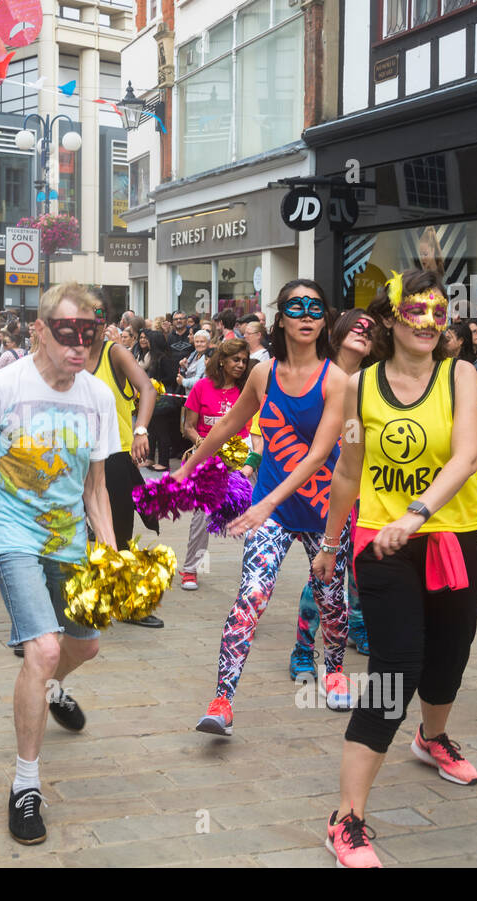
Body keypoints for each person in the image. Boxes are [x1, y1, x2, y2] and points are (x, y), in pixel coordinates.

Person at [312, 268, 477, 867]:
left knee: (451, 653)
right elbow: (349, 470)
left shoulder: (460, 374)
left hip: (453, 536)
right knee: (395, 666)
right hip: (381, 543)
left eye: (438, 313)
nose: (428, 323)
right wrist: (331, 545)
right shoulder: (358, 387)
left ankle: (431, 737)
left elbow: (467, 454)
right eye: (415, 311)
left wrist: (417, 513)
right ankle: (347, 817)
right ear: (390, 319)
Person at [0, 282, 116, 846]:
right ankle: (25, 784)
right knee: (41, 648)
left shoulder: (97, 397)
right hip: (13, 533)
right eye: (68, 331)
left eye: (91, 332)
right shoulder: (2, 387)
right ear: (39, 330)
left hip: (68, 537)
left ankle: (54, 689)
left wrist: (110, 553)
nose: (80, 344)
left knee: (84, 646)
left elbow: (95, 487)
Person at [176, 280, 354, 735]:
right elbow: (226, 428)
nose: (307, 314)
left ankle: (333, 670)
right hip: (271, 513)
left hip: (322, 511)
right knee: (250, 598)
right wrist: (185, 469)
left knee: (332, 602)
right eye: (296, 307)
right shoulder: (262, 373)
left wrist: (268, 500)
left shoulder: (338, 381)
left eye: (316, 307)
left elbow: (319, 453)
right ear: (281, 319)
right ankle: (222, 701)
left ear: (325, 320)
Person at [294, 308, 377, 660]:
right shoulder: (317, 378)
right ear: (338, 331)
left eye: (371, 331)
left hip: (366, 489)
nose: (364, 332)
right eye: (357, 327)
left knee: (362, 565)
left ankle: (358, 624)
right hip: (321, 489)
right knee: (326, 570)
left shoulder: (375, 384)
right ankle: (303, 647)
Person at [86, 312, 162, 627]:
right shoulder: (60, 356)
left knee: (119, 532)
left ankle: (125, 601)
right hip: (68, 456)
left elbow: (147, 389)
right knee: (69, 533)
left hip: (113, 453)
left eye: (93, 321)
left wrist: (141, 430)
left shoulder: (113, 352)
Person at [179, 337, 251, 590]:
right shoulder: (201, 387)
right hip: (208, 461)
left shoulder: (247, 390)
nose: (241, 365)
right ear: (222, 360)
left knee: (252, 518)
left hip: (241, 462)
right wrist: (201, 442)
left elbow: (252, 429)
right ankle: (190, 570)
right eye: (236, 360)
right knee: (202, 516)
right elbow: (188, 426)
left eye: (244, 361)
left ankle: (254, 575)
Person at [143, 329, 180, 473]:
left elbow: (171, 378)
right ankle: (150, 457)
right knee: (151, 429)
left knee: (162, 431)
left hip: (162, 400)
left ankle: (164, 462)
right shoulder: (153, 357)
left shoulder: (164, 358)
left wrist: (156, 383)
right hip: (154, 398)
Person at [178, 328, 212, 393]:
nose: (199, 344)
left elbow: (199, 380)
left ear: (208, 343)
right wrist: (183, 366)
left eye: (202, 342)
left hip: (201, 395)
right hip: (190, 394)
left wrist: (183, 381)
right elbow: (188, 371)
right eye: (197, 341)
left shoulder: (207, 358)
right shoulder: (195, 353)